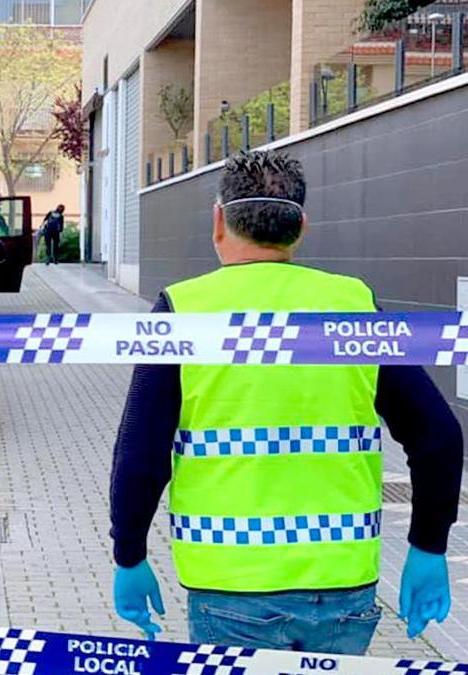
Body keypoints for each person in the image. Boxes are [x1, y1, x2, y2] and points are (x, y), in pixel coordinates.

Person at [109, 150, 463, 654]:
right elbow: (439, 436)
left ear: (218, 221)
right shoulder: (354, 304)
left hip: (229, 585)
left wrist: (129, 555)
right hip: (342, 587)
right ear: (300, 227)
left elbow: (140, 454)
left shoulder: (184, 308)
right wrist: (428, 548)